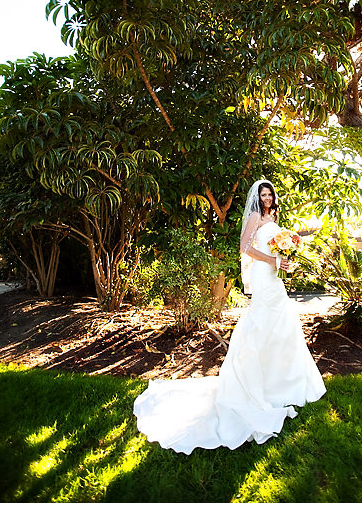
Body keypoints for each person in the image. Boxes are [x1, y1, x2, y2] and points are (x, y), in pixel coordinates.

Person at [133, 179, 326, 453]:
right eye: (263, 194)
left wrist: (284, 257)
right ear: (257, 198)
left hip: (274, 276)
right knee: (261, 325)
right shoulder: (256, 217)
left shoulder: (273, 217)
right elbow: (245, 249)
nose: (267, 198)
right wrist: (272, 260)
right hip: (262, 276)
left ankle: (284, 381)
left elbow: (275, 247)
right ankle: (253, 382)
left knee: (281, 324)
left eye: (270, 194)